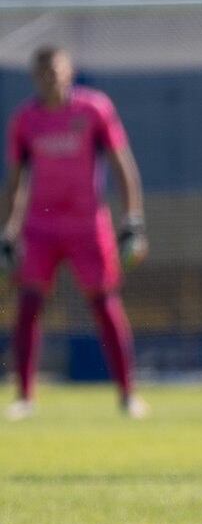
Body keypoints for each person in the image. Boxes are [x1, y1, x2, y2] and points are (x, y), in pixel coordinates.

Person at [2, 46, 148, 419]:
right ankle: (25, 396)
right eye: (42, 71)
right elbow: (16, 183)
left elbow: (122, 165)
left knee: (105, 304)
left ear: (69, 71)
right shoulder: (25, 121)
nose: (49, 77)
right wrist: (9, 231)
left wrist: (133, 219)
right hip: (40, 228)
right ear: (35, 76)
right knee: (29, 306)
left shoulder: (93, 109)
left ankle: (128, 394)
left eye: (55, 69)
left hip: (87, 225)